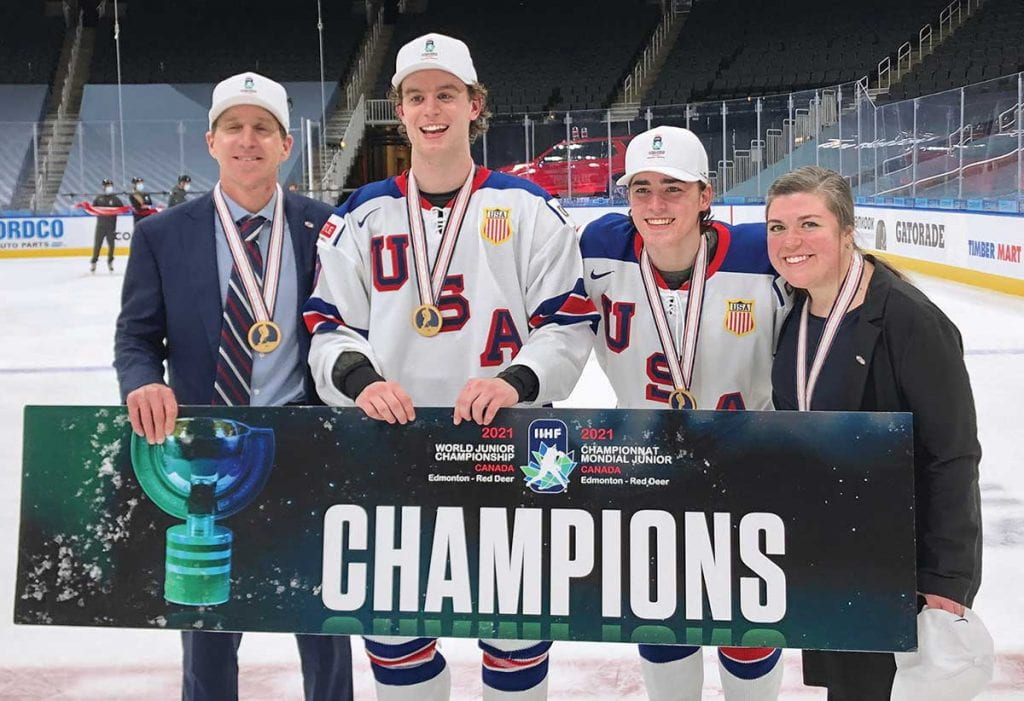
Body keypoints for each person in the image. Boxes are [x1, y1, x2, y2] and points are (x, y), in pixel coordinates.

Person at [304, 32, 598, 700]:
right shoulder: (362, 214)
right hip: (392, 451)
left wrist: (513, 380)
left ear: (475, 104)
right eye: (415, 96)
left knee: (517, 647)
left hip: (517, 451)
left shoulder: (529, 209)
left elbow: (568, 322)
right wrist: (363, 379)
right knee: (399, 650)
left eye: (445, 94)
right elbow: (326, 326)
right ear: (399, 111)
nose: (430, 108)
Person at [113, 71, 353, 701]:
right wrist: (142, 383)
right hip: (201, 450)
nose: (249, 140)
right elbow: (137, 339)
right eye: (235, 128)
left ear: (285, 145)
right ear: (211, 141)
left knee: (324, 616)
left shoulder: (325, 229)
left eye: (264, 129)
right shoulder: (162, 235)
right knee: (207, 623)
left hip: (305, 442)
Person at [580, 126, 791, 701]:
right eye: (640, 188)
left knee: (748, 626)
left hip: (747, 470)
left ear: (705, 195)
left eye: (672, 188)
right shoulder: (600, 247)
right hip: (648, 470)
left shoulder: (758, 253)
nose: (655, 204)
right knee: (662, 619)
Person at [765, 165, 983, 700]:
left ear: (846, 230)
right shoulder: (795, 311)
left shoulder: (908, 319)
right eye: (776, 227)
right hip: (834, 554)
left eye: (809, 224)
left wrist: (946, 579)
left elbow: (952, 453)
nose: (791, 241)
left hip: (899, 565)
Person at [90, 177, 123, 272]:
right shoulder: (98, 198)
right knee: (97, 245)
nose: (109, 187)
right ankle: (94, 262)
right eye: (107, 186)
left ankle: (110, 261)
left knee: (111, 245)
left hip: (111, 227)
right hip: (100, 226)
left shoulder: (116, 199)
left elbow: (121, 209)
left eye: (110, 186)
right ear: (103, 187)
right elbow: (93, 209)